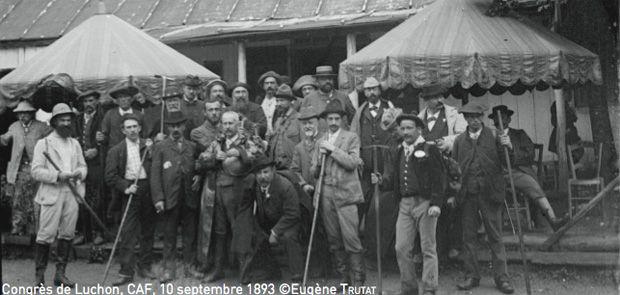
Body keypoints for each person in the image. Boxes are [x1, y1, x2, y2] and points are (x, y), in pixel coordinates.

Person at [375, 113, 444, 295]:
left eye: (409, 128)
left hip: (425, 202)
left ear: (418, 129)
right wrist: (381, 180)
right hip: (405, 204)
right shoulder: (399, 151)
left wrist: (436, 203)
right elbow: (394, 180)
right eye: (402, 128)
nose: (405, 132)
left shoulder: (429, 149)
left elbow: (439, 178)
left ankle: (429, 288)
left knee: (428, 247)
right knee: (402, 247)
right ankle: (409, 288)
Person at [453, 101, 514, 294]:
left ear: (482, 117)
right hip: (468, 195)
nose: (474, 121)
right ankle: (472, 276)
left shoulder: (495, 137)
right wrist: (454, 191)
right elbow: (454, 170)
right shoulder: (459, 141)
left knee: (495, 236)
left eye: (477, 117)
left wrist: (508, 147)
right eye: (470, 117)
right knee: (468, 237)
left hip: (490, 193)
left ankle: (502, 278)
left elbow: (509, 163)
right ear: (465, 119)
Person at [198, 111, 265, 282]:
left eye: (231, 123)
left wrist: (239, 152)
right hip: (217, 192)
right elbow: (201, 160)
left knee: (239, 229)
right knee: (219, 230)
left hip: (238, 192)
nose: (227, 127)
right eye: (225, 123)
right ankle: (218, 269)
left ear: (237, 125)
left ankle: (245, 270)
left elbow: (257, 157)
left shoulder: (246, 141)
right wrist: (214, 157)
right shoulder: (217, 142)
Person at [31, 103, 87, 287]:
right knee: (45, 235)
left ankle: (60, 275)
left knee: (67, 234)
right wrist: (57, 176)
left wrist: (79, 173)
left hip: (71, 194)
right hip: (51, 194)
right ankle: (39, 278)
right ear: (54, 122)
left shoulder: (74, 143)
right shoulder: (44, 144)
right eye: (62, 120)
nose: (66, 123)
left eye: (68, 120)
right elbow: (36, 171)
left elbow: (82, 165)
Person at [310, 100, 365, 286]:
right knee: (334, 238)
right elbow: (314, 172)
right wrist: (318, 161)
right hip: (325, 193)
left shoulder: (351, 138)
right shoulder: (320, 141)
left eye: (336, 118)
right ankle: (344, 277)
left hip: (347, 193)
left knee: (351, 237)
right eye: (330, 118)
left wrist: (333, 150)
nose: (333, 122)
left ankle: (358, 277)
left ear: (342, 120)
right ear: (325, 120)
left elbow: (352, 163)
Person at [489, 105, 567, 231]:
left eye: (503, 117)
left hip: (517, 172)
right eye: (496, 119)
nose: (500, 121)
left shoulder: (519, 134)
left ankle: (552, 219)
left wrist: (511, 146)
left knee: (532, 184)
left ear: (509, 120)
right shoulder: (490, 137)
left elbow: (530, 154)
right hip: (498, 175)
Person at [349, 77, 397, 265]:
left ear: (380, 89)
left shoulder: (390, 107)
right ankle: (367, 253)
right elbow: (354, 136)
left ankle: (386, 255)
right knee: (365, 210)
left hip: (387, 167)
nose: (371, 93)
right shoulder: (360, 112)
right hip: (366, 169)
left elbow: (396, 132)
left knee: (384, 210)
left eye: (374, 89)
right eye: (367, 90)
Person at [105, 115, 157, 285]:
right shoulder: (116, 150)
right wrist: (126, 187)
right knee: (127, 233)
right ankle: (126, 272)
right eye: (129, 127)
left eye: (135, 126)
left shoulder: (149, 145)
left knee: (148, 231)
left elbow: (157, 165)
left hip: (147, 190)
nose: (133, 130)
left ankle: (145, 267)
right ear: (123, 130)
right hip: (130, 192)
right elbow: (110, 176)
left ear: (140, 128)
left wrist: (153, 150)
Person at [417, 85, 467, 260]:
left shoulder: (454, 115)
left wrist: (447, 142)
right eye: (434, 97)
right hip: (425, 170)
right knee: (428, 206)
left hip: (448, 167)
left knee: (449, 206)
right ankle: (431, 252)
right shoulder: (419, 118)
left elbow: (463, 136)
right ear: (426, 100)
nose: (440, 100)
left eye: (440, 96)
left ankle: (452, 247)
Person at [150, 111, 201, 283]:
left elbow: (199, 165)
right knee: (169, 236)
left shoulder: (192, 146)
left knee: (190, 236)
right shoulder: (160, 147)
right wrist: (158, 198)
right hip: (169, 198)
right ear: (167, 127)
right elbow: (155, 175)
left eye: (179, 125)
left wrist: (199, 175)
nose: (176, 129)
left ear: (184, 126)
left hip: (189, 197)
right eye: (172, 126)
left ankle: (189, 267)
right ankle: (168, 270)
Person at [237, 155, 303, 282]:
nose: (262, 176)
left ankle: (297, 274)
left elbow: (293, 213)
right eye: (259, 173)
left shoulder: (285, 186)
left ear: (273, 170)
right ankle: (269, 270)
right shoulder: (256, 185)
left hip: (289, 222)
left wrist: (275, 231)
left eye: (266, 172)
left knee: (289, 237)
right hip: (269, 221)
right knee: (255, 235)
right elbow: (246, 206)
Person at [0, 101, 51, 236]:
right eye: (20, 113)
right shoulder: (14, 126)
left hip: (37, 167)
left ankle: (34, 229)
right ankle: (17, 226)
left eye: (26, 113)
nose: (23, 116)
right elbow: (5, 139)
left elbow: (52, 139)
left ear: (32, 114)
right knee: (18, 199)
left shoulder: (41, 127)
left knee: (36, 198)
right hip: (19, 169)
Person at [189, 97, 224, 279]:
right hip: (209, 180)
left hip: (228, 179)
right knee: (208, 224)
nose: (214, 113)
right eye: (210, 110)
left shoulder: (227, 126)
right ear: (204, 112)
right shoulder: (198, 132)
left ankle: (226, 263)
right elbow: (200, 159)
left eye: (217, 109)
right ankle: (205, 262)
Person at [75, 91, 106, 245]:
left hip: (96, 164)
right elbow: (73, 138)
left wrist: (97, 149)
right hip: (80, 163)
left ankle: (98, 232)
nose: (88, 104)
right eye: (85, 101)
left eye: (91, 100)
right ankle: (84, 233)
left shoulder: (103, 117)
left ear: (97, 101)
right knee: (81, 196)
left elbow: (108, 138)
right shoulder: (77, 119)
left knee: (97, 197)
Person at [267, 84, 303, 169]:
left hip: (293, 167)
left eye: (282, 100)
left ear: (291, 101)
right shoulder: (278, 121)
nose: (278, 104)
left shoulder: (299, 119)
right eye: (277, 100)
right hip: (276, 167)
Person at [98, 84, 144, 148]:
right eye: (120, 97)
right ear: (116, 101)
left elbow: (144, 135)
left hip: (134, 150)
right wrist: (101, 138)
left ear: (132, 99)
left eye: (126, 96)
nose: (123, 100)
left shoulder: (139, 115)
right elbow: (104, 135)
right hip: (115, 152)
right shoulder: (110, 114)